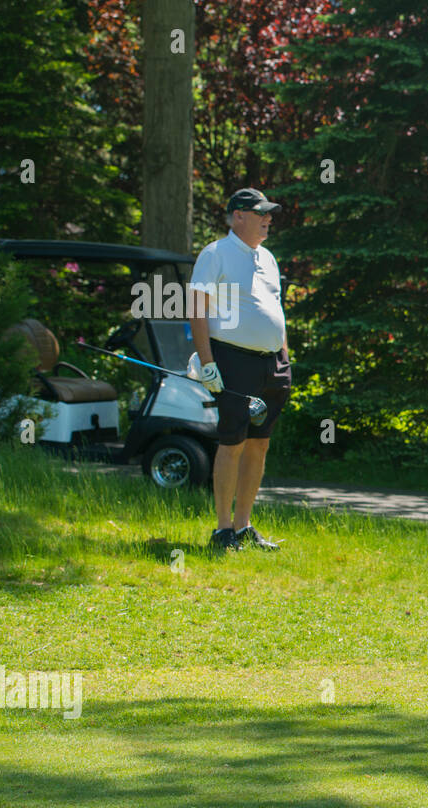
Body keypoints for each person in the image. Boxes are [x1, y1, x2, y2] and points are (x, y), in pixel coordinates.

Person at [188, 187, 292, 551]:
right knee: (232, 443)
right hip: (233, 360)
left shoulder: (269, 258)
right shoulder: (215, 254)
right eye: (260, 213)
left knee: (259, 445)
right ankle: (222, 529)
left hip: (273, 364)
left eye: (270, 213)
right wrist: (207, 362)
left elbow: (276, 312)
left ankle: (244, 526)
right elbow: (196, 309)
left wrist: (285, 358)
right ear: (238, 216)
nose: (268, 219)